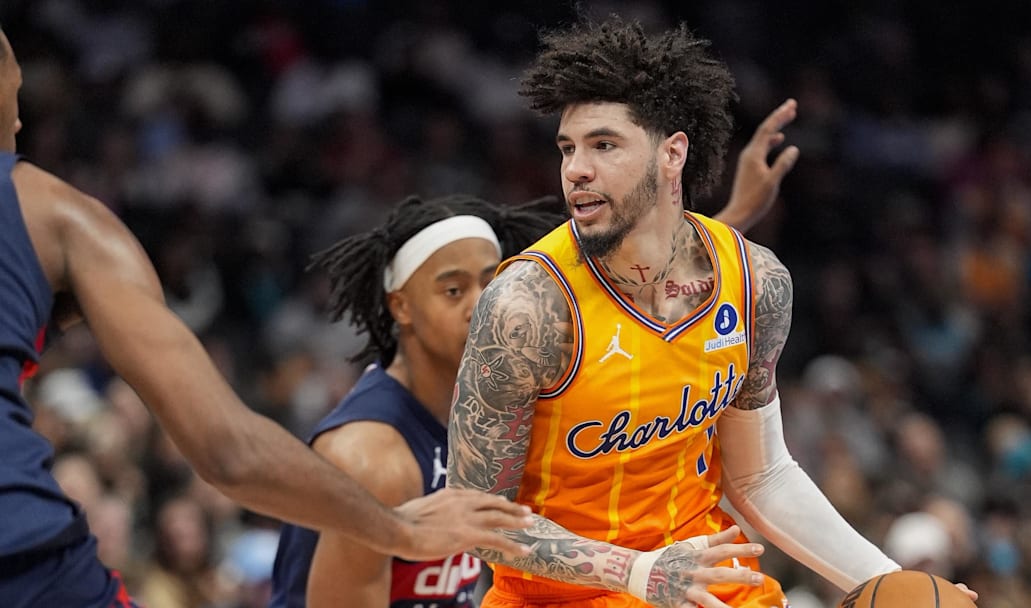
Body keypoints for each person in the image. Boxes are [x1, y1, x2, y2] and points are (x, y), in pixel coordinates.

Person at [445, 17, 978, 608]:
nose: (576, 169)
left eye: (604, 145)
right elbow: (474, 518)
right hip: (562, 596)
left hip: (707, 580)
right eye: (568, 148)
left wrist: (890, 582)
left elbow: (760, 476)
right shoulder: (528, 307)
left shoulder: (755, 282)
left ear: (672, 153)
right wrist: (638, 572)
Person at [0, 29, 533, 608]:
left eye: (492, 281)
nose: (21, 122)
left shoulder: (496, 420)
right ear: (399, 305)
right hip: (26, 557)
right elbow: (229, 453)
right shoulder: (55, 216)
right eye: (14, 94)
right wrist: (402, 529)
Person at [268, 97, 800, 607]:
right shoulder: (373, 456)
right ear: (401, 307)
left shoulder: (508, 376)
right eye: (453, 291)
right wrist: (638, 571)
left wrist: (732, 216)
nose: (479, 304)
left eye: (489, 282)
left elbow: (638, 299)